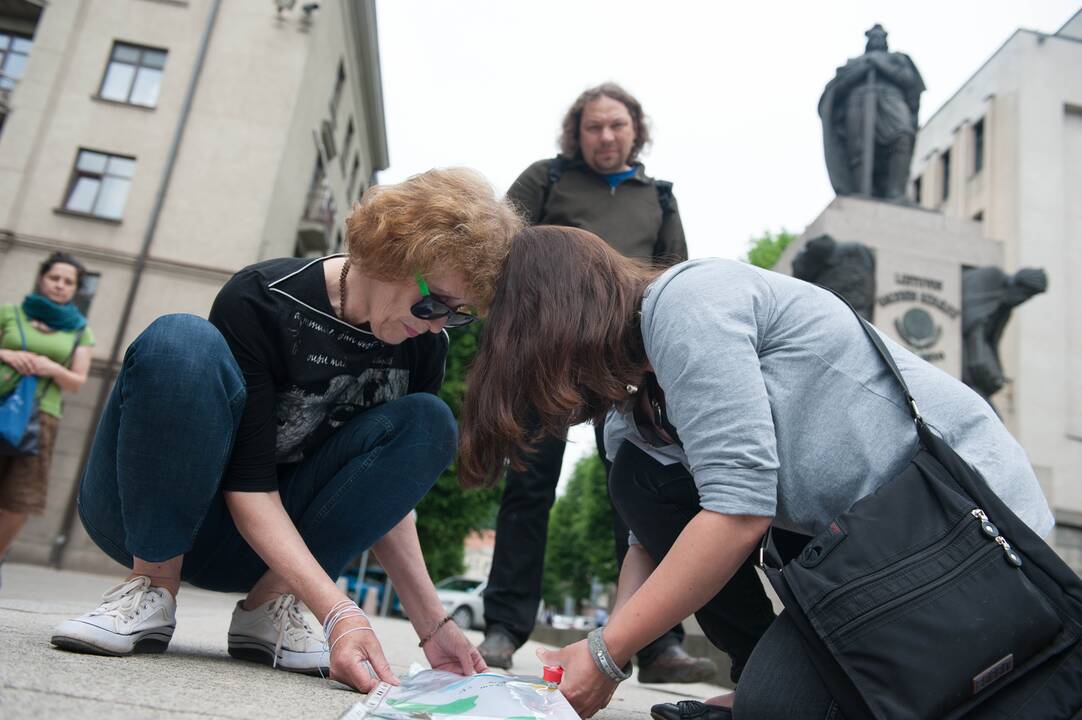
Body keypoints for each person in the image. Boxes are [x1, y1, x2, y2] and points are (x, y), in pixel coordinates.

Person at [457, 226, 1054, 719]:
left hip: (962, 525)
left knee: (780, 706)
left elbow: (740, 511)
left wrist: (607, 655)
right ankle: (767, 676)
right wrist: (606, 651)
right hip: (865, 543)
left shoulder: (687, 303)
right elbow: (651, 542)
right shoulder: (631, 407)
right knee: (637, 477)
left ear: (565, 321)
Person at [49, 168, 523, 693]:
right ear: (392, 253)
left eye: (457, 316)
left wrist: (434, 626)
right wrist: (339, 612)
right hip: (149, 513)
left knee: (430, 424)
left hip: (266, 556)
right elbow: (247, 482)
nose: (437, 324)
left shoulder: (423, 345)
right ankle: (151, 585)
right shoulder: (262, 296)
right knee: (180, 341)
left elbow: (385, 494)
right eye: (434, 303)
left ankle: (269, 605)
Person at [479, 82, 711, 684]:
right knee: (528, 488)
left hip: (623, 356)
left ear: (635, 130)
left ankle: (657, 643)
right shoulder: (547, 180)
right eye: (593, 127)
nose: (605, 137)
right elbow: (501, 247)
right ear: (575, 134)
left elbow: (674, 277)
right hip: (547, 350)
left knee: (641, 489)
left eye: (616, 126)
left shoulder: (659, 197)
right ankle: (503, 626)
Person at [0, 253, 94, 566]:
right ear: (43, 279)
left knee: (21, 496)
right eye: (55, 278)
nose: (60, 285)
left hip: (41, 416)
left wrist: (49, 367)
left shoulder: (80, 331)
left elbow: (77, 382)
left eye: (68, 282)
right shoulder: (11, 313)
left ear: (75, 289)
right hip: (3, 402)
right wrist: (8, 355)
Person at [819, 24, 925, 200]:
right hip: (859, 102)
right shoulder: (855, 63)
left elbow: (908, 80)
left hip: (891, 98)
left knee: (903, 136)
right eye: (873, 37)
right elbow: (838, 89)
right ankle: (861, 191)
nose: (877, 40)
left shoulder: (898, 59)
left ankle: (895, 192)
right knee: (858, 149)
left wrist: (879, 64)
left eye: (880, 37)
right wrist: (862, 70)